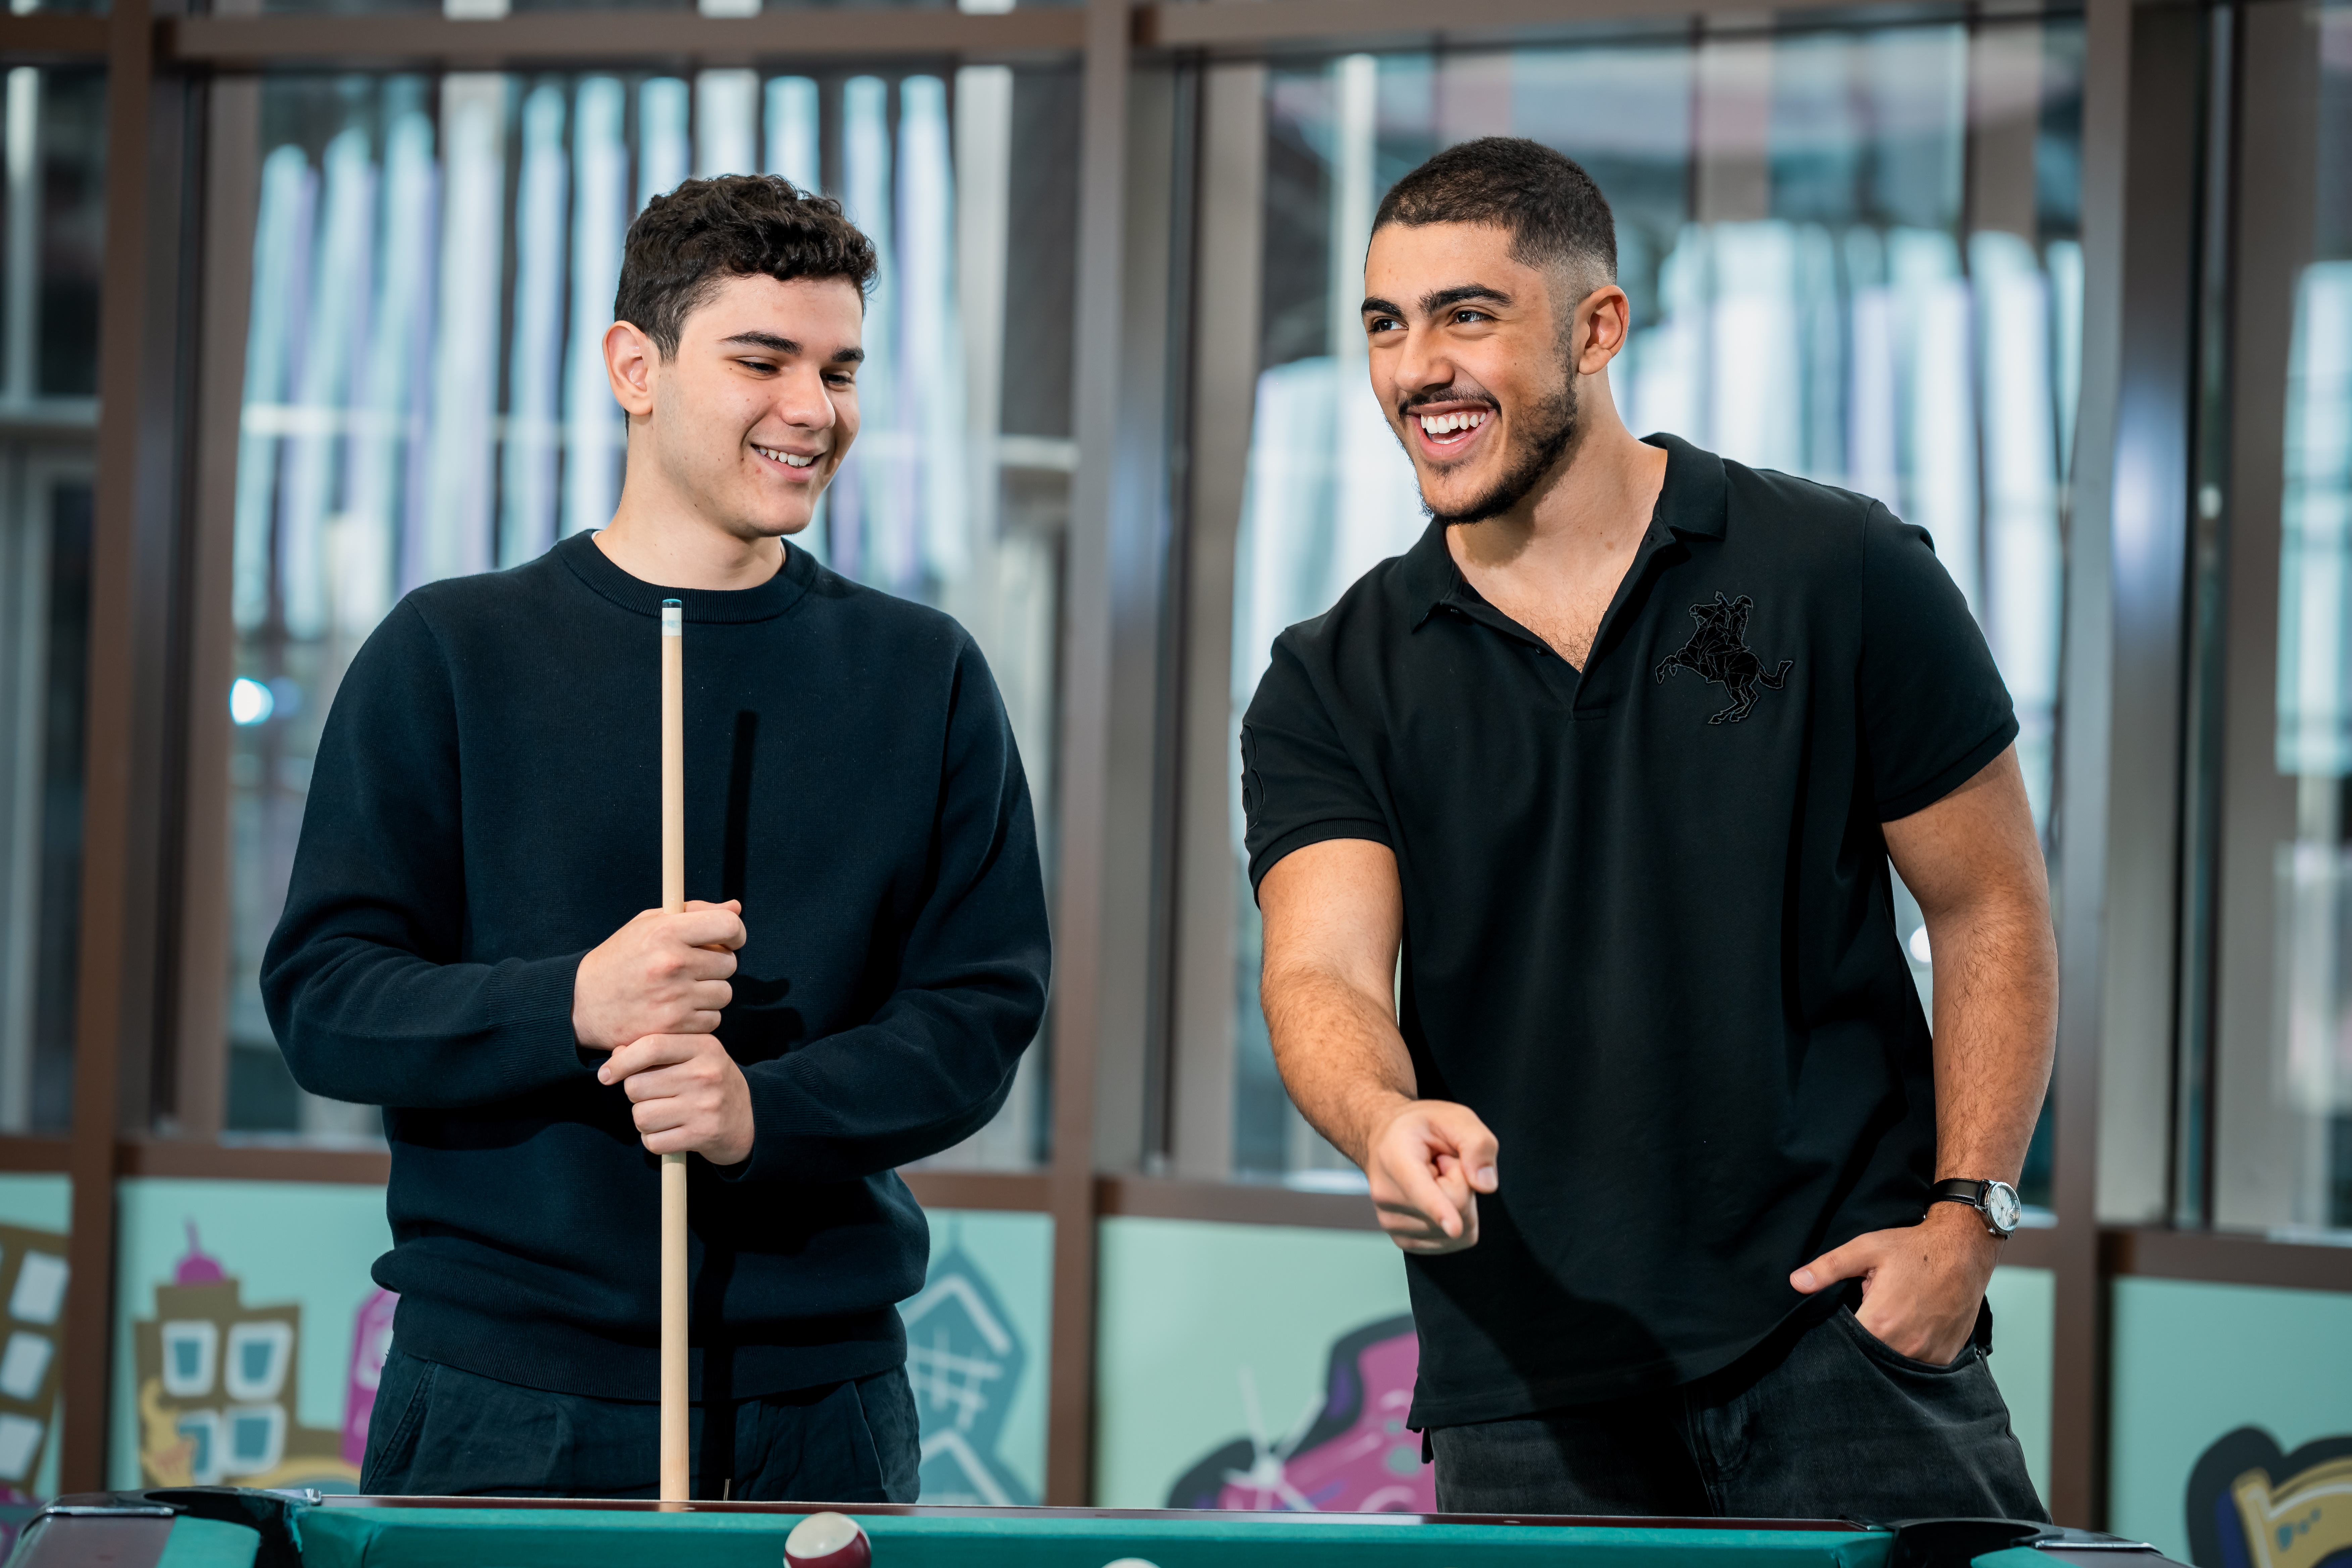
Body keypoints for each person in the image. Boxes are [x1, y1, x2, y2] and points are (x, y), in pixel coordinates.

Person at [1244, 137, 2054, 1521]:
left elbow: (1990, 905)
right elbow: (1321, 970)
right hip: (1526, 1383)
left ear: (1599, 328)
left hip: (1846, 1336)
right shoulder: (1332, 677)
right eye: (1385, 324)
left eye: (1466, 316)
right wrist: (1382, 1116)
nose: (1416, 368)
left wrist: (1966, 1220)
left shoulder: (1840, 568)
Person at [264, 175, 1050, 1502]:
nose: (815, 410)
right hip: (502, 1391)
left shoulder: (923, 673)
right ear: (636, 366)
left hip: (823, 1395)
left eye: (840, 371)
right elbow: (324, 1001)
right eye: (763, 361)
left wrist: (761, 1113)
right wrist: (573, 1000)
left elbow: (978, 1017)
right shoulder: (451, 651)